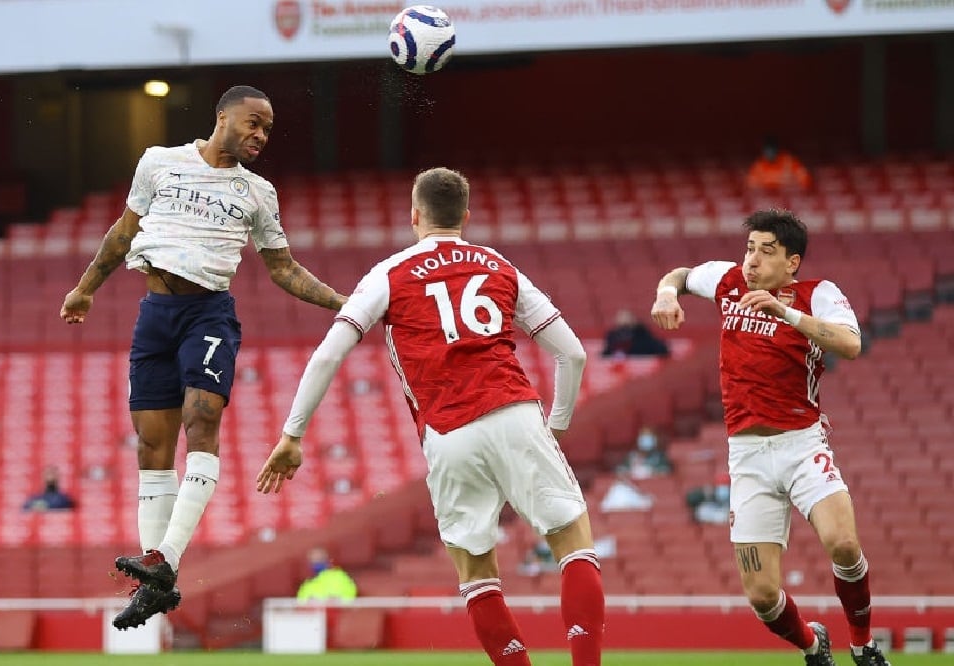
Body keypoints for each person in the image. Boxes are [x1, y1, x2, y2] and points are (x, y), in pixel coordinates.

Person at [256, 167, 604, 666]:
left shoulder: (389, 273)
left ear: (414, 215)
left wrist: (292, 435)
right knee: (572, 542)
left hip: (446, 432)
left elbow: (329, 355)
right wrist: (557, 427)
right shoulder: (498, 265)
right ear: (465, 216)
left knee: (478, 573)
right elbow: (572, 355)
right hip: (514, 412)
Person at [59, 85, 347, 631]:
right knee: (151, 442)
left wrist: (343, 301)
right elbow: (124, 233)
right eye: (253, 122)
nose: (261, 134)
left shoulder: (257, 192)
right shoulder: (159, 162)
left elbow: (282, 269)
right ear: (223, 116)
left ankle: (166, 557)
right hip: (155, 315)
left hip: (208, 314)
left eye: (267, 128)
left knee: (202, 419)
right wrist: (85, 288)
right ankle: (154, 572)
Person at [650, 209, 889, 666]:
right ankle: (813, 645)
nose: (752, 260)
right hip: (747, 457)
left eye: (766, 251)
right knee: (762, 597)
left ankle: (863, 644)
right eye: (749, 248)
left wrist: (787, 313)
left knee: (843, 544)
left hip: (801, 444)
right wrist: (665, 294)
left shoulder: (818, 294)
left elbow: (851, 344)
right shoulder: (728, 282)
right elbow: (680, 275)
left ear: (792, 261)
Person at [746, 136, 812, 192]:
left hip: (787, 201)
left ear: (777, 149)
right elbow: (750, 185)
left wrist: (793, 186)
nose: (770, 153)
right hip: (766, 203)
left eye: (772, 150)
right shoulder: (759, 164)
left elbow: (805, 180)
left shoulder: (789, 161)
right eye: (767, 150)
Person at [601, 309, 669, 359]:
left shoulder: (645, 339)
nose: (624, 331)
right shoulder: (613, 340)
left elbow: (662, 350)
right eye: (622, 327)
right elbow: (606, 355)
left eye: (626, 326)